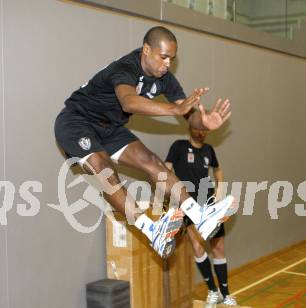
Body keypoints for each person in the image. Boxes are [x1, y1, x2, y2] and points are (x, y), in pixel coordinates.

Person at [54, 26, 234, 259]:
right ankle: (151, 230)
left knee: (152, 162)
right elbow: (129, 102)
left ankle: (200, 217)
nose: (168, 64)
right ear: (146, 49)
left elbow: (187, 112)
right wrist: (174, 109)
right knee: (104, 168)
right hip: (77, 122)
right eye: (164, 57)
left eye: (172, 58)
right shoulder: (125, 68)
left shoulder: (165, 79)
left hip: (110, 128)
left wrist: (203, 121)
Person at [165, 125, 237, 308]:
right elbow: (166, 170)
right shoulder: (178, 146)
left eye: (205, 130)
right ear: (191, 128)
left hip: (209, 201)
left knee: (218, 246)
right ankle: (213, 291)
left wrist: (220, 188)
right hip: (188, 203)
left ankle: (226, 293)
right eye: (199, 129)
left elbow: (218, 170)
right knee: (197, 246)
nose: (202, 132)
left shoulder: (208, 150)